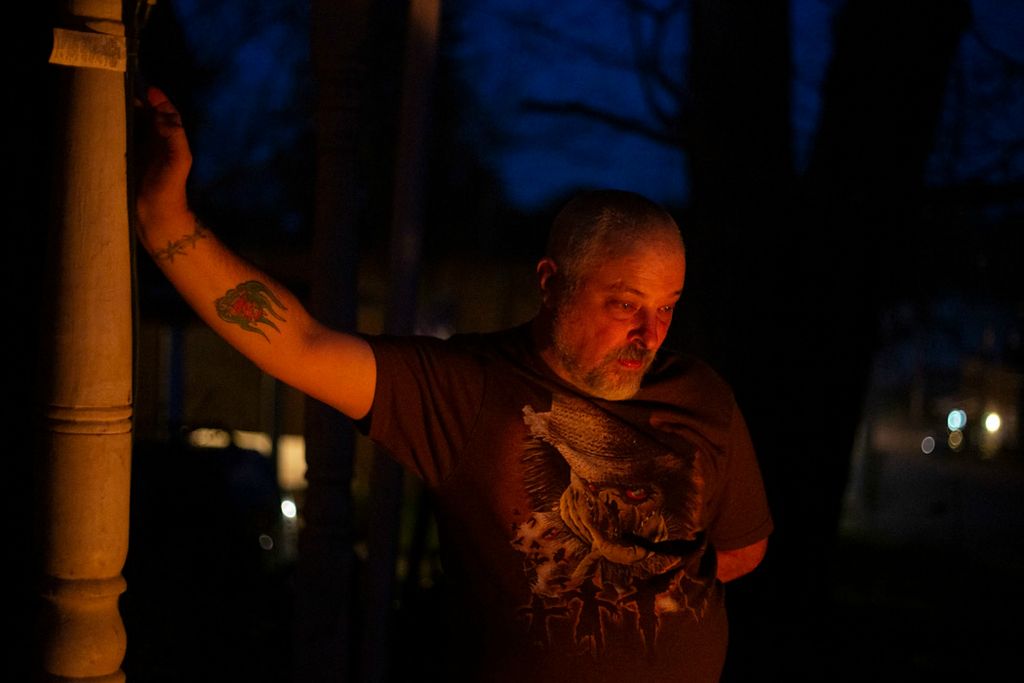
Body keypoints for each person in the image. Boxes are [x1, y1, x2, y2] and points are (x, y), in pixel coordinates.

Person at [136, 87, 772, 682]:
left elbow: (744, 550)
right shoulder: (466, 391)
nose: (651, 334)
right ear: (552, 283)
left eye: (668, 307)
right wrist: (168, 224)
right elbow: (299, 345)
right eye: (627, 305)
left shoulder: (701, 394)